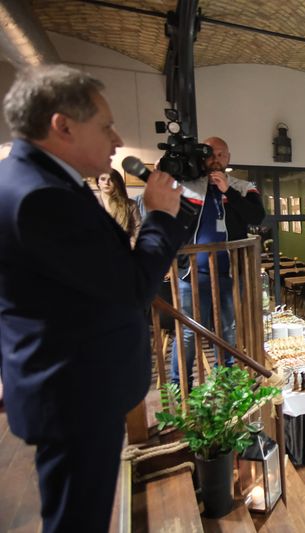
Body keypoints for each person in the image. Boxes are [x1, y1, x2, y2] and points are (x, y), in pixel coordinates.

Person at [0, 65, 184, 533]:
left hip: (71, 386)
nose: (117, 139)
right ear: (62, 125)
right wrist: (160, 217)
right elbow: (131, 288)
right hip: (75, 393)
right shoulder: (40, 197)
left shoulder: (30, 182)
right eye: (106, 126)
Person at [171, 135, 266, 387]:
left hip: (230, 274)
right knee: (188, 332)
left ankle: (224, 384)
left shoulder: (243, 187)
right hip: (190, 274)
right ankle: (180, 386)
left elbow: (257, 216)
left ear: (228, 158)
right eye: (210, 154)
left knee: (227, 331)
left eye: (221, 154)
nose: (216, 159)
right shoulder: (187, 186)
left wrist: (228, 192)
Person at [96, 168, 141, 248]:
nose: (106, 183)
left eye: (111, 179)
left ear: (117, 182)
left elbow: (137, 228)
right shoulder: (90, 203)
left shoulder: (131, 205)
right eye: (103, 179)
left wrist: (133, 242)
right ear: (98, 183)